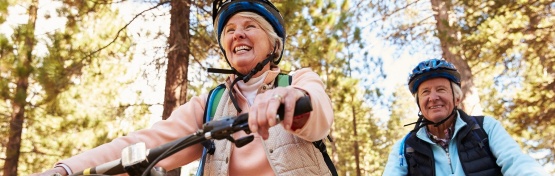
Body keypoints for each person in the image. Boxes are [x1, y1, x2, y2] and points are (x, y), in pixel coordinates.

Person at [34, 0, 334, 175]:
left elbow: (318, 111)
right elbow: (143, 143)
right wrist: (67, 169)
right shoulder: (210, 105)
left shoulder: (297, 81)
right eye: (230, 30)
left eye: (249, 26)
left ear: (274, 44)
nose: (238, 34)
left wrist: (291, 100)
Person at [382, 58, 548, 175]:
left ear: (457, 98)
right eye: (425, 92)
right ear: (419, 103)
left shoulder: (486, 128)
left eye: (441, 89)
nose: (433, 98)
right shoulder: (404, 147)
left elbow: (516, 163)